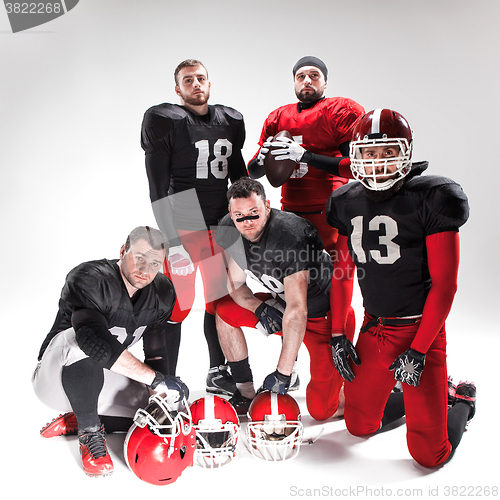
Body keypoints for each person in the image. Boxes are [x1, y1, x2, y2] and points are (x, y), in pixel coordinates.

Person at [325, 108, 476, 468]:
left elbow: (445, 285)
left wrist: (420, 350)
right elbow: (342, 273)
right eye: (370, 154)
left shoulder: (432, 196)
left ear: (405, 153)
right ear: (356, 157)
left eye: (388, 153)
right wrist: (336, 336)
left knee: (429, 456)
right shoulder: (345, 201)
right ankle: (417, 398)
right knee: (358, 426)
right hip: (373, 325)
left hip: (420, 328)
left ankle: (463, 401)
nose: (378, 163)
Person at [33, 226, 189, 478]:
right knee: (79, 339)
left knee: (163, 414)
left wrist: (161, 393)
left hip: (101, 375)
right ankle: (90, 433)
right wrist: (155, 379)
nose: (145, 269)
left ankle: (79, 417)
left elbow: (156, 352)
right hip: (56, 376)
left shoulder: (162, 290)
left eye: (154, 263)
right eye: (139, 258)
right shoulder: (91, 277)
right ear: (122, 251)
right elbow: (92, 340)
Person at [141, 59, 247, 395]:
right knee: (178, 306)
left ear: (210, 83)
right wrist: (171, 243)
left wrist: (249, 221)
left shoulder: (229, 120)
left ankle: (217, 371)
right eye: (188, 80)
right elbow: (158, 190)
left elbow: (240, 179)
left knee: (219, 302)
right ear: (178, 89)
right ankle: (164, 380)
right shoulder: (165, 120)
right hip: (184, 220)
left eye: (201, 78)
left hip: (222, 220)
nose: (196, 84)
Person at [214, 177, 354, 417]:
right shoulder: (230, 228)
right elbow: (235, 284)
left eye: (254, 213)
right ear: (230, 212)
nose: (247, 222)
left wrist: (282, 373)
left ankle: (370, 396)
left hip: (324, 319)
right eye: (240, 216)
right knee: (224, 312)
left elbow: (299, 309)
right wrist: (258, 307)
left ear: (268, 206)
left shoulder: (290, 234)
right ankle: (245, 392)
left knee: (324, 411)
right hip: (284, 305)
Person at [247, 55, 364, 257]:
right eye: (300, 76)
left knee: (332, 276)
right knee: (294, 278)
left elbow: (356, 166)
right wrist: (260, 160)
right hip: (289, 213)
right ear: (294, 82)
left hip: (329, 213)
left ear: (325, 83)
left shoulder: (338, 110)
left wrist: (307, 156)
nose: (307, 80)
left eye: (314, 75)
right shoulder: (278, 117)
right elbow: (253, 172)